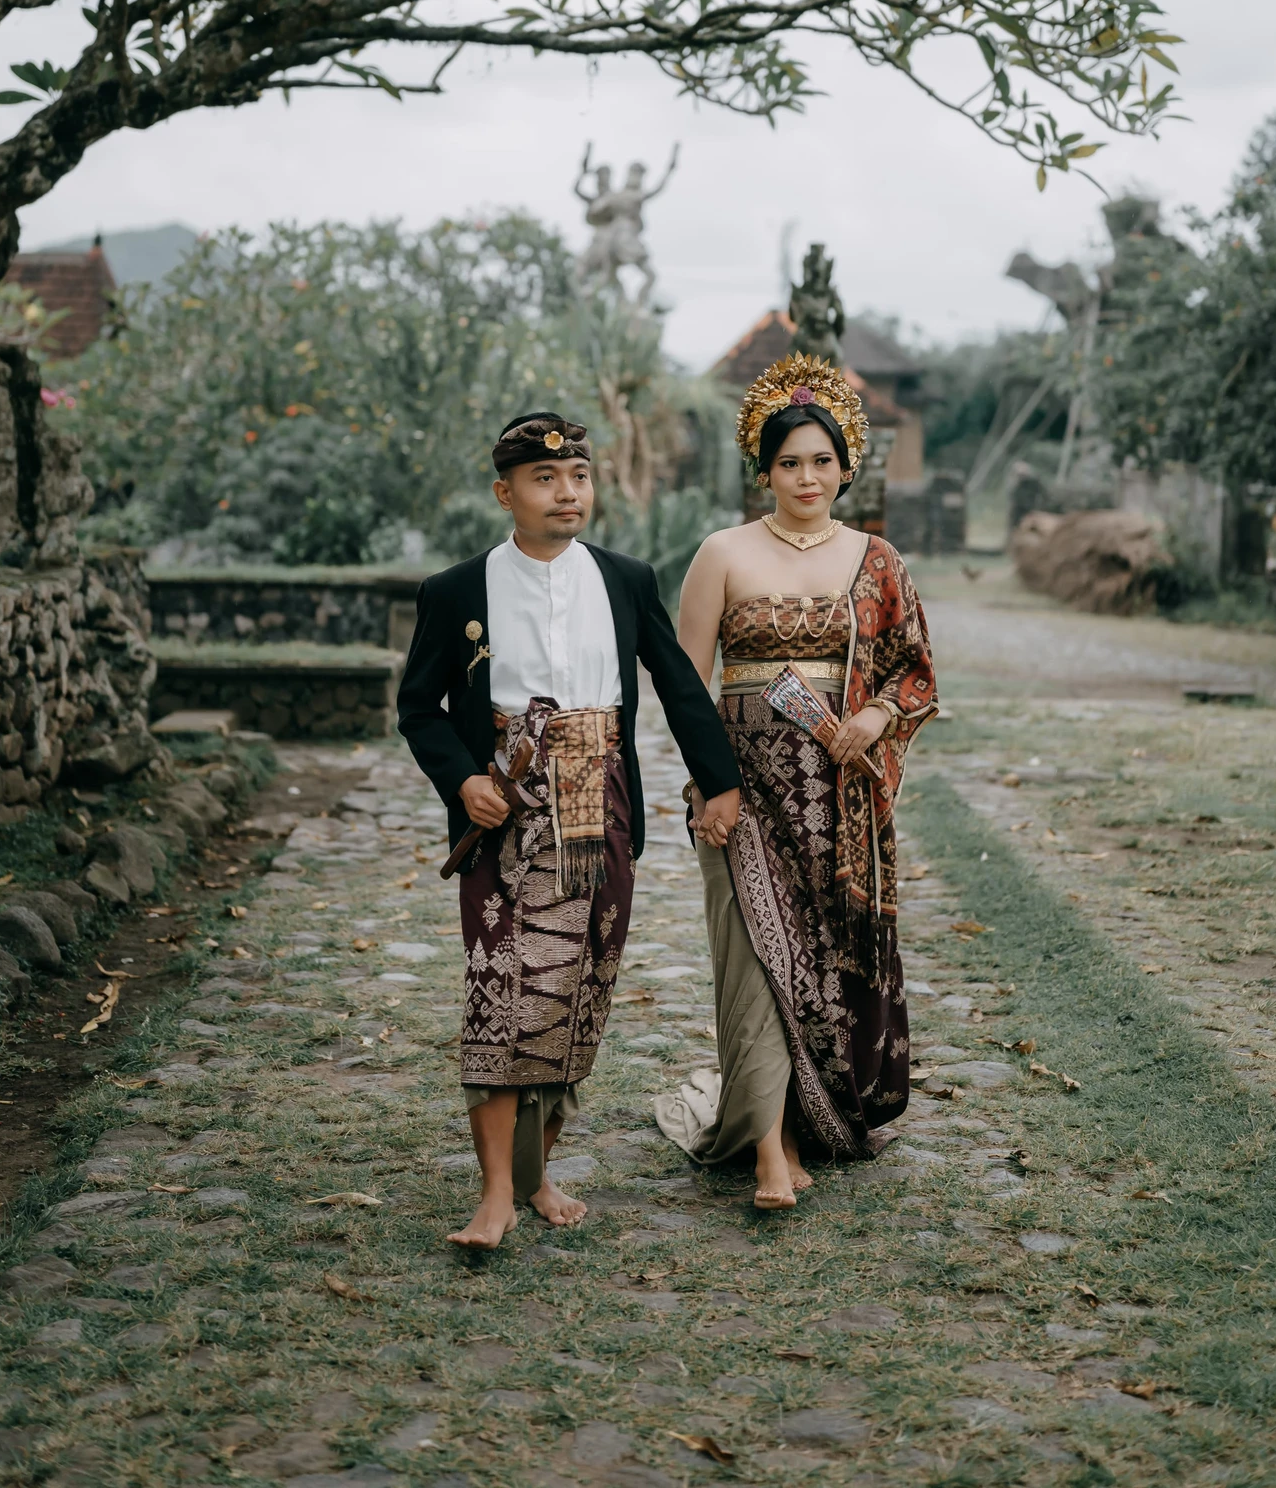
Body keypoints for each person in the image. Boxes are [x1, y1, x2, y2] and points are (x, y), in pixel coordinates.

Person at [397, 412, 741, 1249]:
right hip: (503, 815)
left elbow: (679, 685)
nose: (566, 492)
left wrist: (720, 782)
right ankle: (494, 1196)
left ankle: (537, 1175)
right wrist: (464, 780)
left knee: (578, 991)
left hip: (603, 808)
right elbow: (418, 707)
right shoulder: (457, 590)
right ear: (504, 492)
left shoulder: (626, 579)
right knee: (500, 990)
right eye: (545, 479)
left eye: (578, 477)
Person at [655, 355, 937, 1210]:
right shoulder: (722, 553)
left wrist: (875, 718)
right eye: (788, 463)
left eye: (822, 460)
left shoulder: (876, 560)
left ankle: (815, 1111)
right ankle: (771, 1149)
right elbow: (685, 685)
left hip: (839, 800)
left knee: (817, 960)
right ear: (764, 471)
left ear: (847, 466)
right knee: (754, 960)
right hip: (739, 791)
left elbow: (914, 669)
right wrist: (708, 786)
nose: (806, 477)